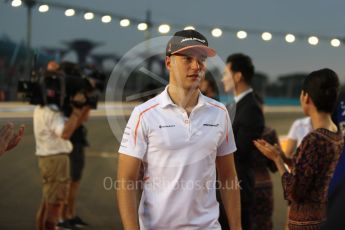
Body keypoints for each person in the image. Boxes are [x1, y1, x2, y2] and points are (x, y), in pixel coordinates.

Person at [116, 29, 241, 230]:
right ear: (168, 63)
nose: (196, 66)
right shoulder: (144, 114)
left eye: (201, 59)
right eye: (187, 58)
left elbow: (228, 177)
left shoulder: (219, 113)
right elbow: (126, 180)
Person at [254, 68, 343, 230]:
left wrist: (277, 160)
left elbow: (294, 191)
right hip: (324, 216)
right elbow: (309, 170)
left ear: (306, 97)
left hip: (306, 223)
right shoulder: (336, 133)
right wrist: (284, 157)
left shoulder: (314, 139)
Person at [34, 68, 89, 230]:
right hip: (56, 160)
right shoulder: (52, 111)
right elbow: (65, 133)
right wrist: (77, 111)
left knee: (47, 204)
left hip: (48, 159)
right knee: (55, 209)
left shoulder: (41, 108)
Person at [221, 53, 265, 230]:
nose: (222, 79)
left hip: (237, 187)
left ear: (237, 76)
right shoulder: (235, 105)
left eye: (225, 74)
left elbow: (239, 152)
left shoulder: (251, 108)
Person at [250, 93, 278, 230]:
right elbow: (274, 167)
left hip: (244, 186)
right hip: (265, 186)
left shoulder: (236, 131)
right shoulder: (270, 133)